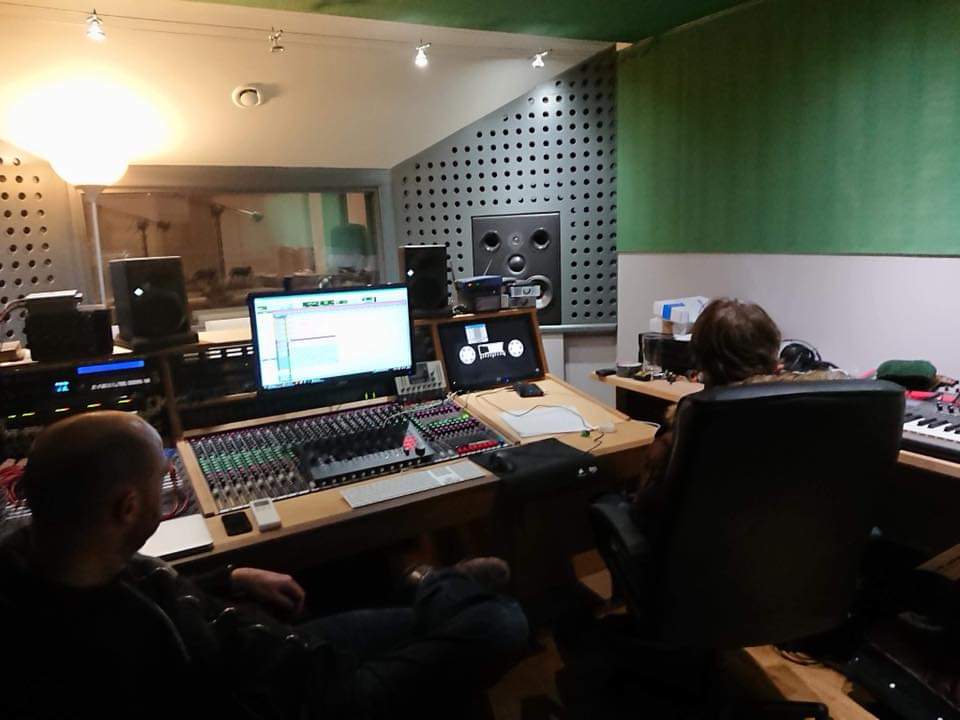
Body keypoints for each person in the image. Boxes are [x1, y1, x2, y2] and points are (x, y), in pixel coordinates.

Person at [0, 411, 528, 720]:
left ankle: (436, 585)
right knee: (502, 621)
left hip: (278, 644)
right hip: (311, 696)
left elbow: (157, 591)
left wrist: (229, 576)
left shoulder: (57, 555)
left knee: (414, 606)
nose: (170, 489)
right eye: (162, 479)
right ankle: (440, 582)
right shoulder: (100, 651)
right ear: (128, 508)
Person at [634, 298, 846, 522]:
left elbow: (646, 511)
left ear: (700, 360)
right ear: (773, 354)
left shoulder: (692, 419)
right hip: (797, 538)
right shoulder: (826, 407)